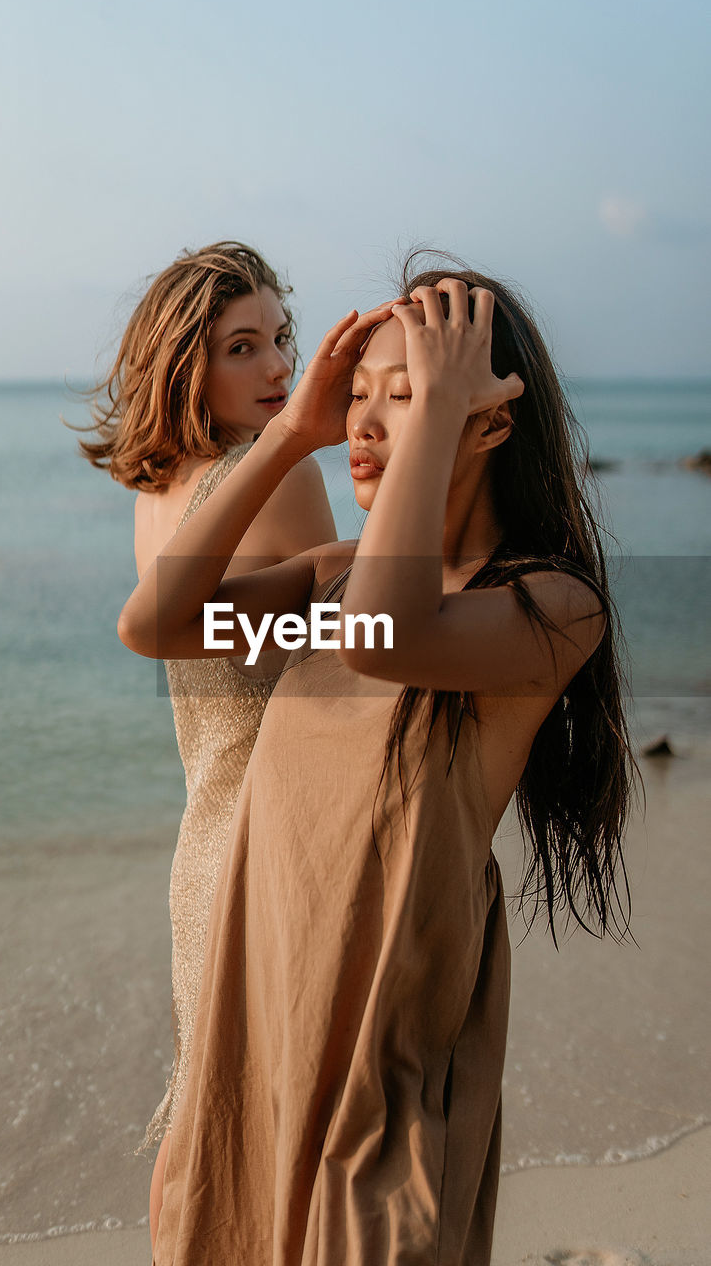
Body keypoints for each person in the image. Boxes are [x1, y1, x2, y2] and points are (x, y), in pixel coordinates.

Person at [117, 260, 635, 1264]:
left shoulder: (551, 608)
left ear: (487, 423)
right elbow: (158, 623)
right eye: (354, 394)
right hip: (259, 1027)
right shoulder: (331, 575)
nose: (361, 423)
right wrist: (285, 437)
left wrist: (433, 412)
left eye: (403, 395)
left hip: (383, 1062)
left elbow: (384, 636)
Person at [75, 241, 337, 1244]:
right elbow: (334, 663)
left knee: (205, 1123)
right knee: (289, 1137)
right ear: (189, 363)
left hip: (204, 845)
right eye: (244, 346)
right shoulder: (274, 480)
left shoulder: (165, 488)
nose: (280, 367)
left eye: (280, 338)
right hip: (279, 840)